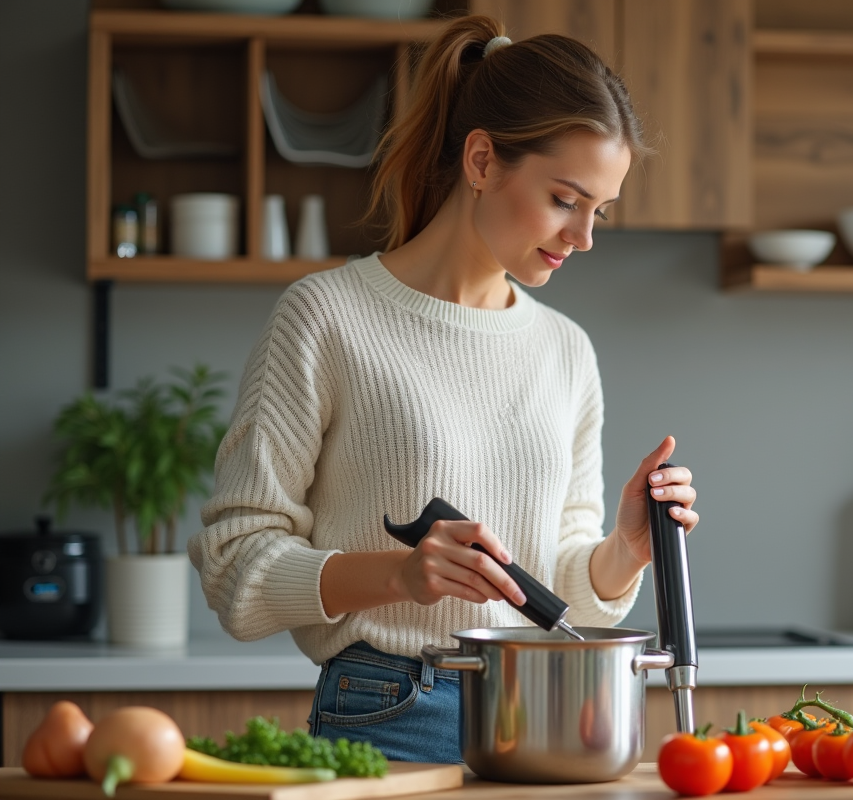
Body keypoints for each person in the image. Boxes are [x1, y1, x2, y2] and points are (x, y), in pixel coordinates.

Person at [188, 14, 698, 764]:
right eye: (565, 199)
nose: (584, 237)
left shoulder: (565, 351)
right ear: (484, 160)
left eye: (601, 211)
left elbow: (558, 598)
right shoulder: (327, 317)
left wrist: (623, 550)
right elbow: (235, 566)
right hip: (389, 712)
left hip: (543, 719)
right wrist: (399, 574)